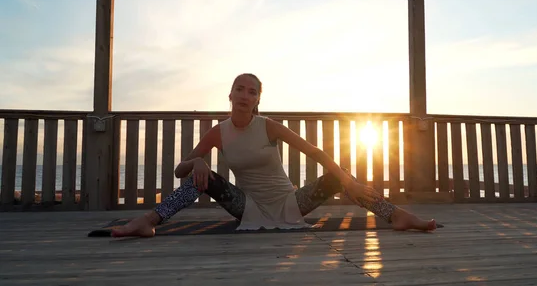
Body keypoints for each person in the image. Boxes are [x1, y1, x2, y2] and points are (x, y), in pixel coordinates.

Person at [111, 73, 437, 237]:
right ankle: (148, 222)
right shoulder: (218, 132)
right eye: (240, 88)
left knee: (338, 176)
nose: (245, 94)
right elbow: (181, 169)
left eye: (252, 92)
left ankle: (396, 215)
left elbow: (315, 152)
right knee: (202, 177)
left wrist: (347, 181)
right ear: (230, 95)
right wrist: (197, 160)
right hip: (249, 209)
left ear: (256, 101)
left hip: (290, 204)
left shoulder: (269, 127)